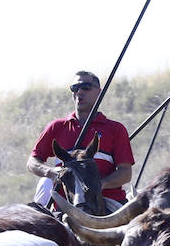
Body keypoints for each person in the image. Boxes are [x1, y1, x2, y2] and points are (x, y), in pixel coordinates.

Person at [27, 71, 135, 209]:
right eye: (75, 88)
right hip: (64, 204)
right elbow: (32, 162)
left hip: (108, 201)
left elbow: (125, 173)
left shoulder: (115, 129)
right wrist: (51, 173)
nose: (79, 92)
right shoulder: (57, 127)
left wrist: (99, 184)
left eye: (86, 87)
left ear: (99, 93)